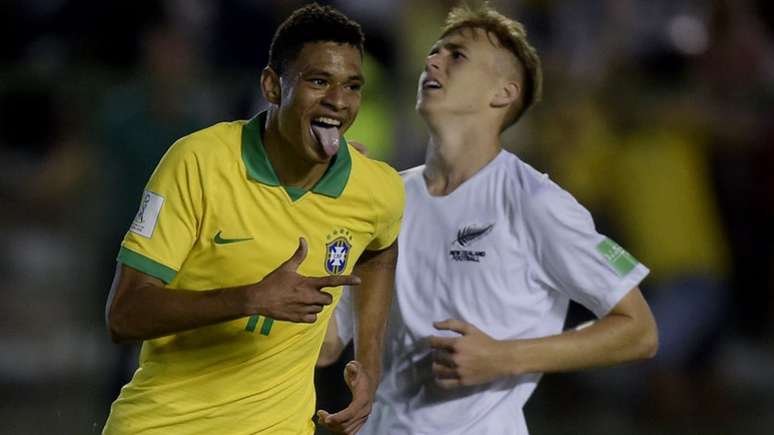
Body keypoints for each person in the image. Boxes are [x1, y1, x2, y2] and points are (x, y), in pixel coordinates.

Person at [322, 4, 658, 434]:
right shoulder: (386, 197)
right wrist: (318, 218)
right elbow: (328, 345)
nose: (432, 61)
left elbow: (639, 331)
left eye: (456, 55)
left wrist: (505, 356)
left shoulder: (534, 202)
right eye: (434, 52)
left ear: (502, 93)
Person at [102, 4, 404, 435]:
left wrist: (368, 363)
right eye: (319, 81)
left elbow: (380, 248)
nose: (338, 101)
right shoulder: (198, 163)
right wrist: (251, 298)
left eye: (352, 86)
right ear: (272, 86)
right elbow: (124, 315)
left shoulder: (376, 188)